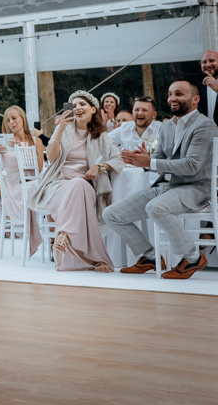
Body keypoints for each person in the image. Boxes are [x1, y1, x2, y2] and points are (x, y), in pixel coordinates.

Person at [103, 80, 217, 279]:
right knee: (111, 214)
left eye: (179, 94)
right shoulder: (167, 127)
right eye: (171, 94)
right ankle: (151, 257)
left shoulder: (205, 126)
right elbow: (161, 160)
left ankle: (193, 258)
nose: (172, 98)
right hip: (169, 187)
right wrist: (145, 160)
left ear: (196, 99)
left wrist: (150, 162)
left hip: (196, 188)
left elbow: (191, 166)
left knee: (156, 207)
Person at [29, 91, 121, 272]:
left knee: (80, 185)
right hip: (58, 185)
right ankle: (96, 258)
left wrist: (99, 167)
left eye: (82, 104)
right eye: (74, 105)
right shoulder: (63, 130)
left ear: (93, 109)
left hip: (85, 185)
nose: (78, 108)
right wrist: (60, 129)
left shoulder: (100, 135)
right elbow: (53, 158)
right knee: (78, 186)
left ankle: (63, 234)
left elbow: (118, 160)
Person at [0, 105, 45, 225]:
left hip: (32, 182)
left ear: (23, 118)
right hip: (15, 187)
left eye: (14, 118)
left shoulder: (36, 141)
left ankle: (53, 235)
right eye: (8, 120)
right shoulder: (4, 142)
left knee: (52, 188)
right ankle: (51, 234)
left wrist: (21, 147)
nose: (11, 122)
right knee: (46, 190)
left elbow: (39, 169)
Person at [198, 50, 218, 125]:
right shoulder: (199, 86)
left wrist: (217, 89)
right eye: (204, 62)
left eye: (211, 61)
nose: (208, 65)